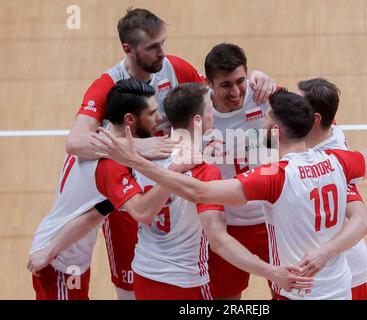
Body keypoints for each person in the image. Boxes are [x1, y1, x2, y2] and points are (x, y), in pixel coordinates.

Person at [91, 64, 367, 299]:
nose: (258, 118)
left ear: (277, 130)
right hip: (338, 287)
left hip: (296, 289)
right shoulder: (337, 159)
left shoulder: (274, 176)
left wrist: (134, 160)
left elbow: (199, 189)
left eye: (265, 117)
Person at [29, 80, 313, 300]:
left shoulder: (142, 160)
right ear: (199, 121)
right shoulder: (205, 170)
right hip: (186, 280)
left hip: (145, 275)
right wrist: (270, 272)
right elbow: (218, 240)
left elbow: (97, 212)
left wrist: (50, 248)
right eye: (211, 109)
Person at [64, 8, 276, 299]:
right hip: (134, 183)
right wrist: (138, 147)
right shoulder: (107, 85)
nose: (162, 52)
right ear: (129, 49)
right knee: (127, 283)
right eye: (153, 47)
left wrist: (257, 79)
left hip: (175, 181)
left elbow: (217, 88)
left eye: (162, 43)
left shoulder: (174, 68)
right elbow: (75, 142)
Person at [27, 80, 188, 299]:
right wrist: (49, 252)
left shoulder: (93, 140)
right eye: (151, 113)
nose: (159, 118)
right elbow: (91, 218)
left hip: (69, 252)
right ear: (129, 119)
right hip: (59, 257)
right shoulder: (112, 166)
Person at [202, 43, 273, 299]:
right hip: (226, 227)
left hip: (272, 219)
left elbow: (316, 121)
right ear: (209, 83)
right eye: (225, 85)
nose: (235, 91)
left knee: (292, 290)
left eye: (240, 81)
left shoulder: (265, 97)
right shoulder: (198, 113)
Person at [298, 78, 367, 299]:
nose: (294, 106)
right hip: (327, 265)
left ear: (315, 118)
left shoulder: (328, 160)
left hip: (347, 267)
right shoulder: (330, 127)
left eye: (299, 104)